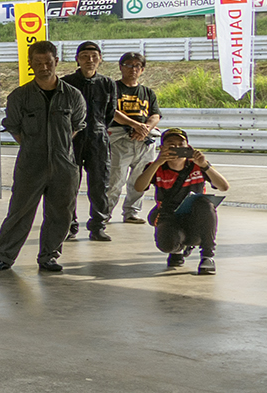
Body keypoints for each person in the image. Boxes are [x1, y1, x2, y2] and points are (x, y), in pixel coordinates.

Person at [0, 41, 88, 273]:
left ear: (56, 62)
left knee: (60, 213)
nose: (44, 67)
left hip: (64, 166)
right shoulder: (19, 96)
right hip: (31, 164)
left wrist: (58, 149)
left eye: (48, 62)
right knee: (19, 212)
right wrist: (36, 147)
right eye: (38, 63)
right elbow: (14, 128)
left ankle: (49, 256)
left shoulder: (73, 96)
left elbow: (76, 126)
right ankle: (3, 257)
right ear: (30, 63)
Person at [135, 128, 229, 273]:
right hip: (169, 215)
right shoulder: (157, 168)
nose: (177, 148)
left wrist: (205, 165)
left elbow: (223, 186)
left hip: (195, 215)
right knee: (167, 243)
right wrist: (157, 163)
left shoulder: (198, 165)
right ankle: (178, 250)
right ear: (162, 148)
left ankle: (207, 256)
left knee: (205, 204)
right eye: (171, 145)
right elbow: (139, 187)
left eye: (181, 144)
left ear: (188, 147)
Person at [64, 42, 117, 242]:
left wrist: (99, 129)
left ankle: (98, 226)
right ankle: (70, 225)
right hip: (72, 139)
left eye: (94, 56)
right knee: (69, 184)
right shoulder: (67, 82)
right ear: (77, 59)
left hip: (98, 138)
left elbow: (110, 114)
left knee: (99, 184)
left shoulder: (107, 83)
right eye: (85, 56)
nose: (90, 60)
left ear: (100, 59)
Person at [107, 52, 161, 224]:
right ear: (121, 67)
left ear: (142, 69)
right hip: (120, 141)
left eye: (137, 66)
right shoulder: (112, 89)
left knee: (139, 180)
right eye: (129, 65)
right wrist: (134, 125)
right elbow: (111, 112)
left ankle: (131, 211)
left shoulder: (147, 92)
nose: (133, 69)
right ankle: (104, 213)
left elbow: (155, 115)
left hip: (144, 142)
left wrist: (145, 128)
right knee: (115, 180)